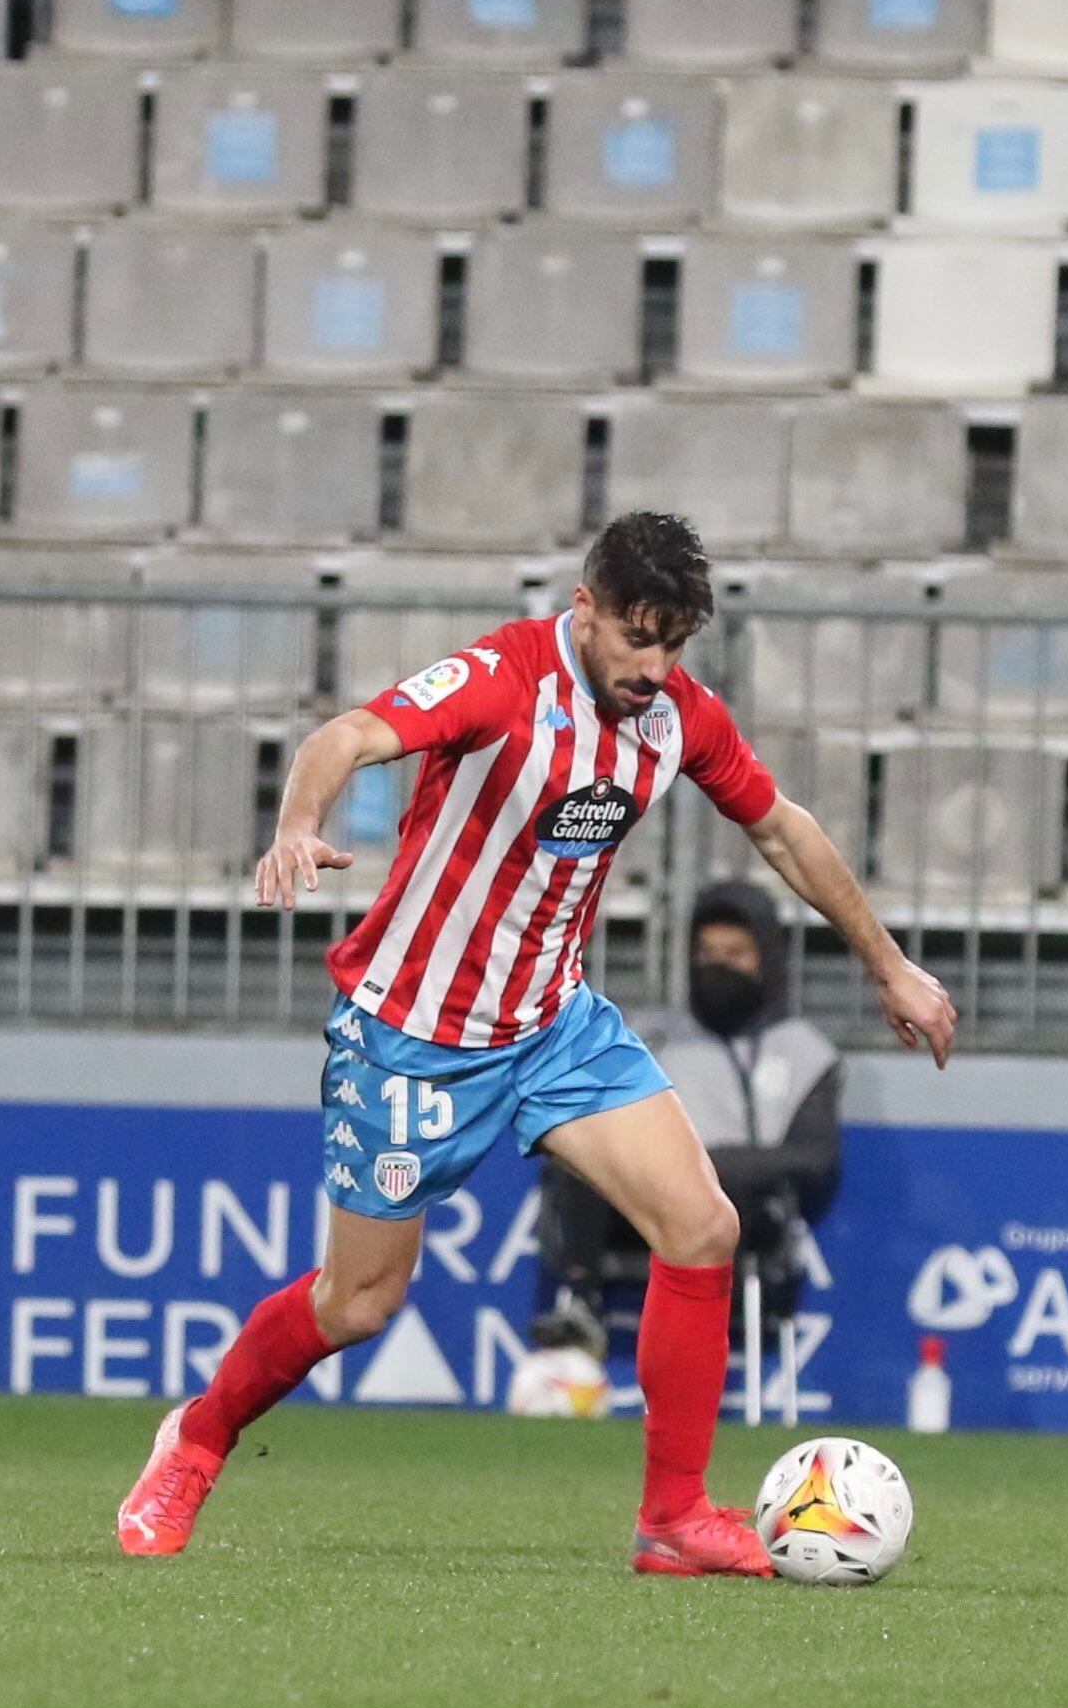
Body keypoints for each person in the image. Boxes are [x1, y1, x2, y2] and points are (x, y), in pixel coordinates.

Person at [116, 511, 956, 1576]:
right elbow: (346, 738)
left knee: (701, 1225)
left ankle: (673, 1515)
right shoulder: (500, 679)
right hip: (411, 1037)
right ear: (585, 610)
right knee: (359, 1301)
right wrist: (296, 824)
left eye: (674, 644)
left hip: (553, 1025)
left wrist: (887, 963)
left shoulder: (677, 717)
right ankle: (195, 1438)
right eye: (635, 638)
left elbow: (781, 826)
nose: (652, 668)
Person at [531, 878, 844, 1383]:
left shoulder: (804, 1050)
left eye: (736, 953)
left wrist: (704, 1166)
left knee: (717, 1193)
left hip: (741, 1211)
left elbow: (815, 1156)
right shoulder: (649, 1035)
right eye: (707, 952)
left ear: (767, 958)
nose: (718, 966)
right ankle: (579, 1303)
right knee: (579, 1152)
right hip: (641, 1202)